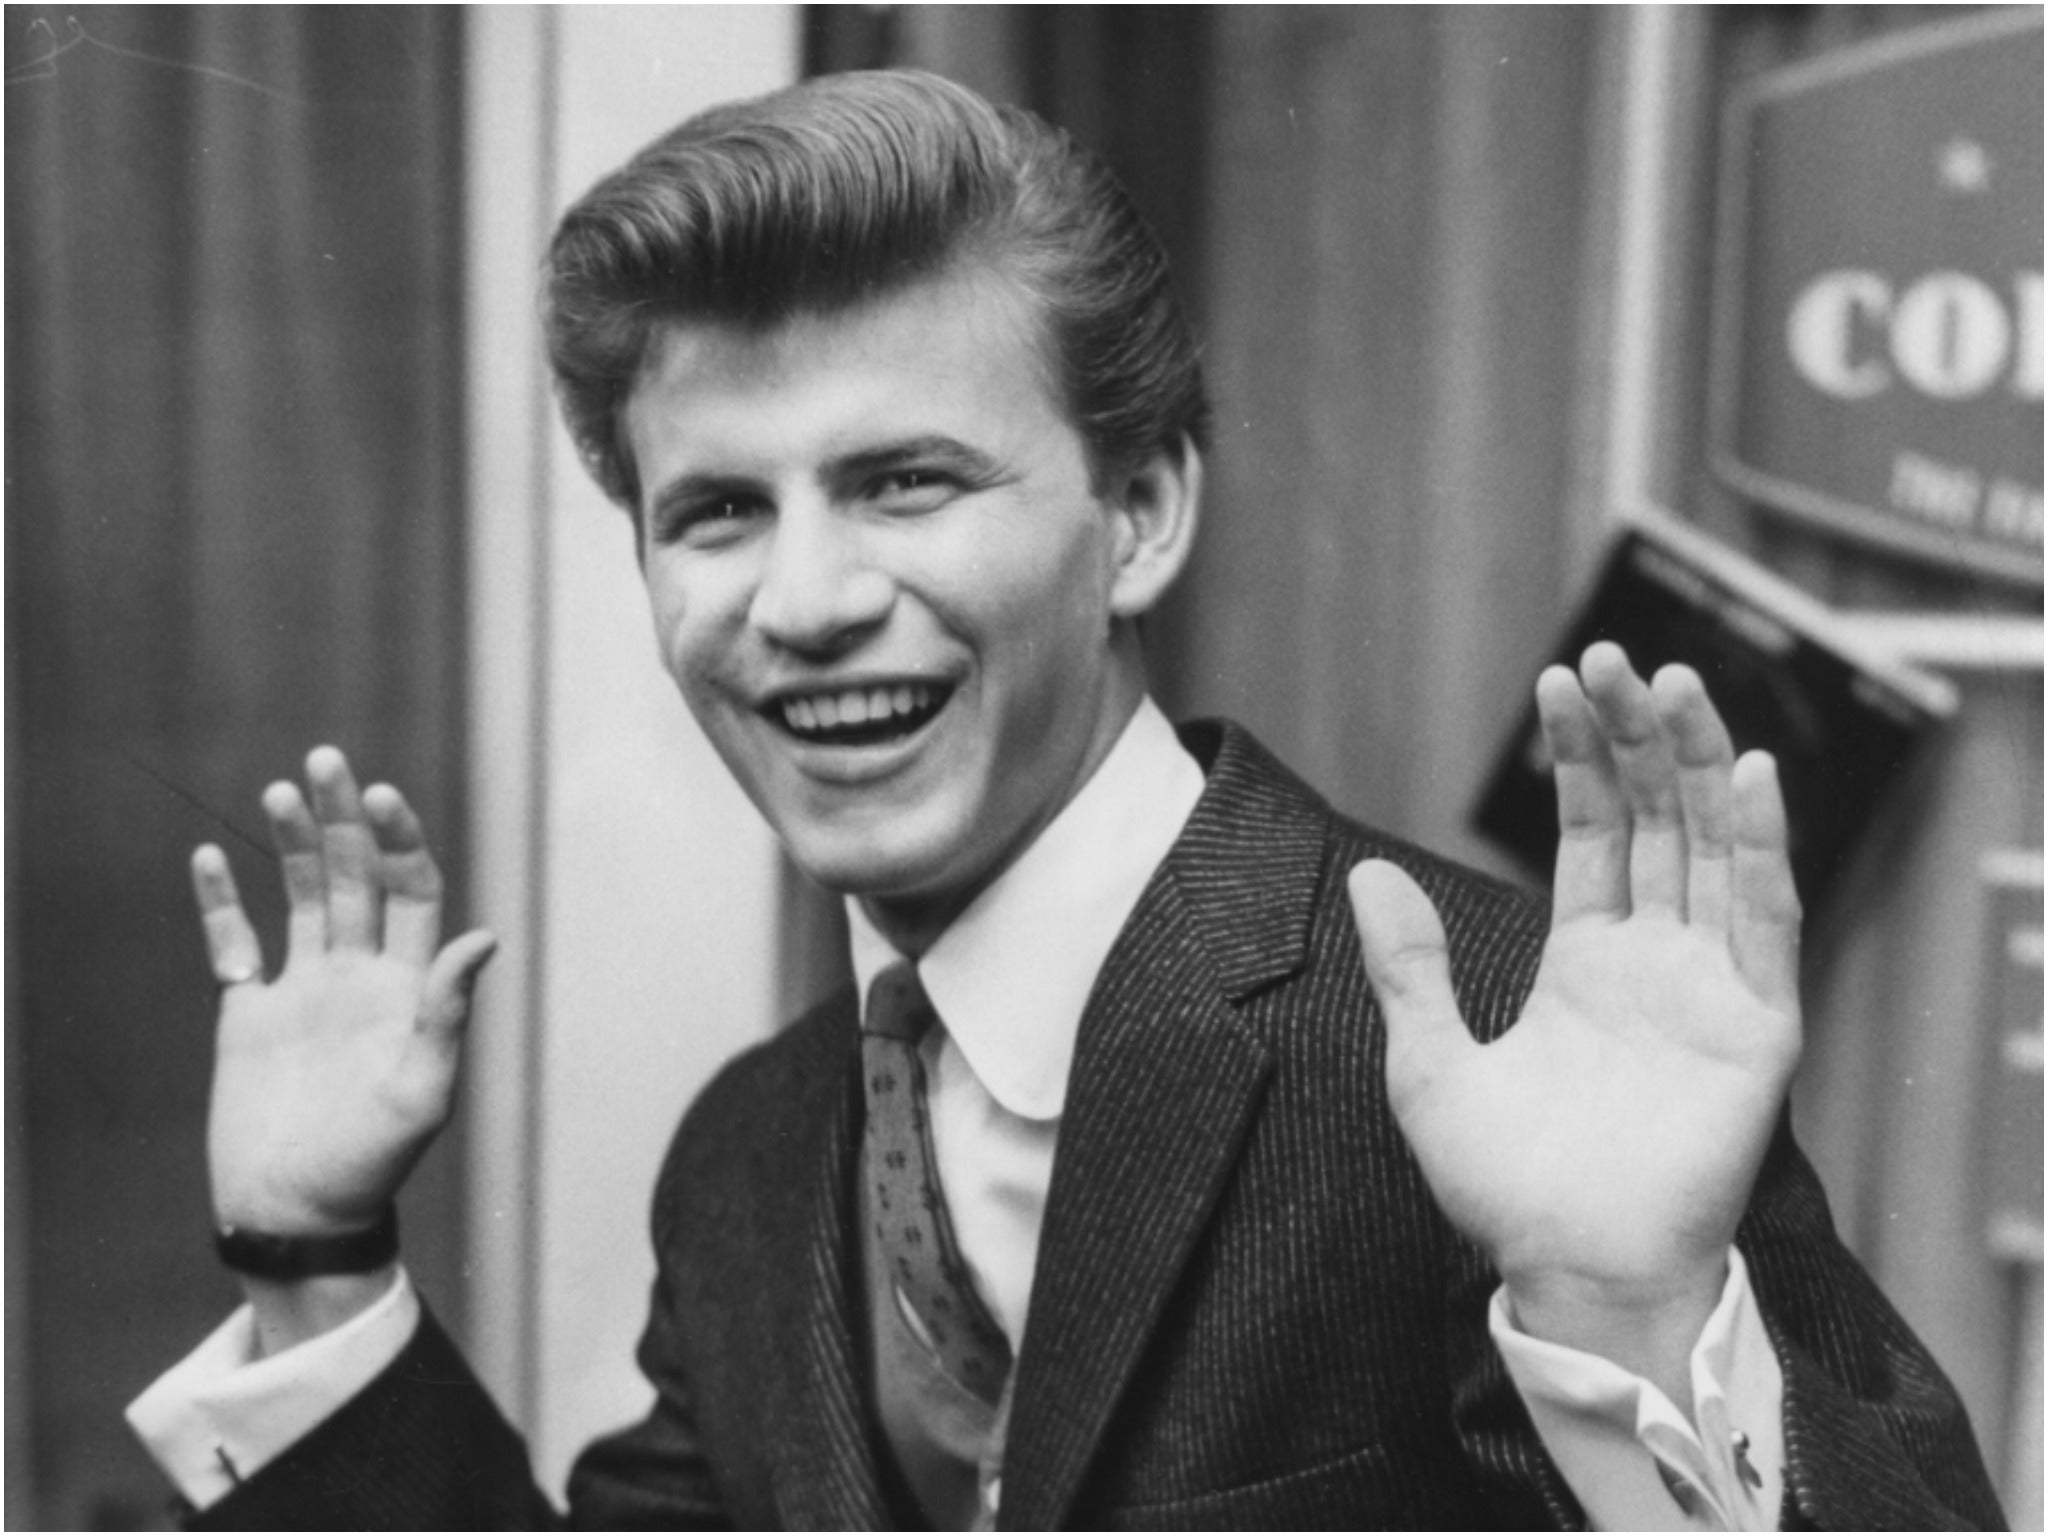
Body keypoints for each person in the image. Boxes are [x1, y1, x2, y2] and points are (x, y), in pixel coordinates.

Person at [129, 70, 2001, 1530]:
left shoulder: (1491, 1028)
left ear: (1142, 516)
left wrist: (1629, 1325)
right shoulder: (754, 1159)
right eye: (715, 512)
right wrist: (316, 1262)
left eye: (908, 481)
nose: (799, 603)